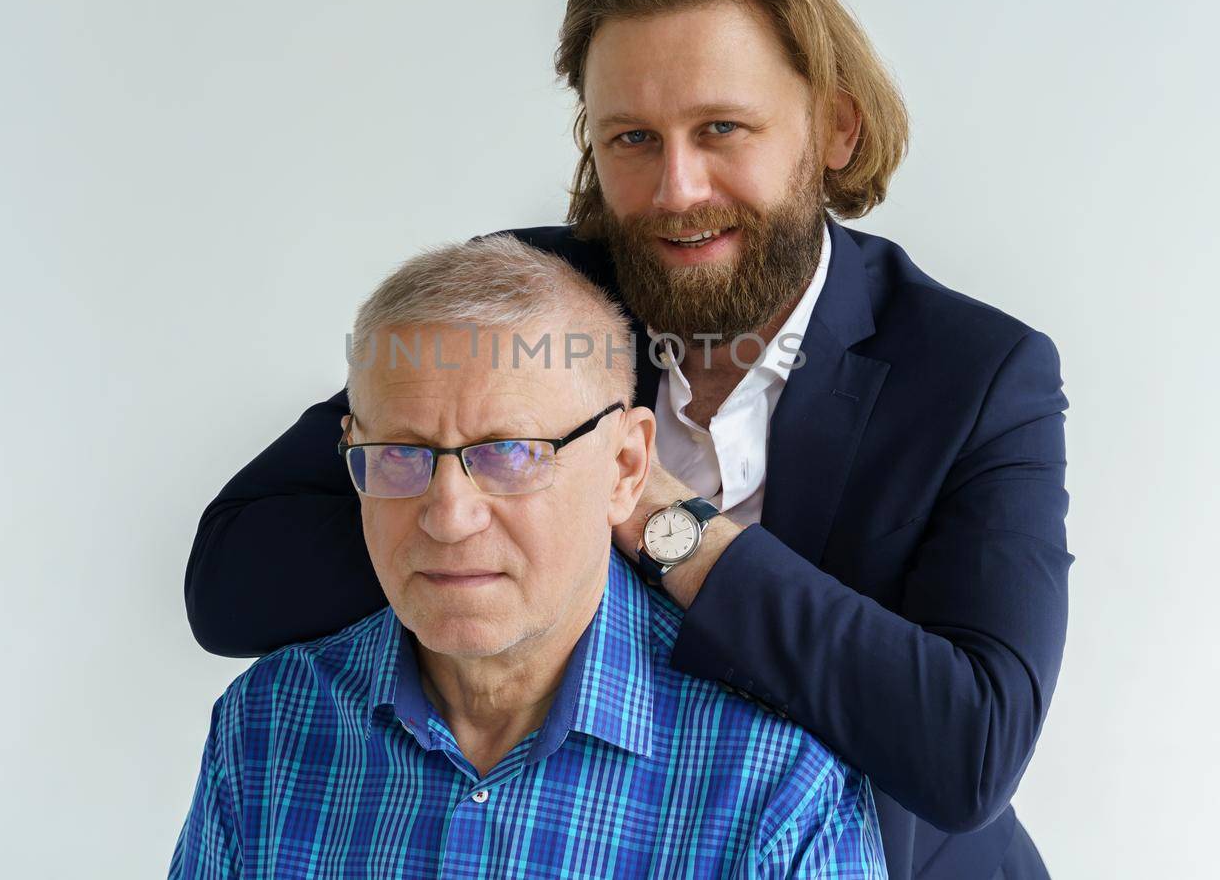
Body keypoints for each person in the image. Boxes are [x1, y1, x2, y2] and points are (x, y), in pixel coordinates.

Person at [184, 0, 1071, 880]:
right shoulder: (532, 302)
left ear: (833, 125)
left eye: (720, 128)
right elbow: (233, 582)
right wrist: (499, 500)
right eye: (632, 138)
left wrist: (643, 509)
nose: (675, 187)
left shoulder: (976, 371)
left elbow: (970, 745)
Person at [169, 236, 888, 878]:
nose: (448, 517)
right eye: (398, 455)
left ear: (626, 466)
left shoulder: (776, 784)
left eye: (510, 453)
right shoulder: (267, 727)